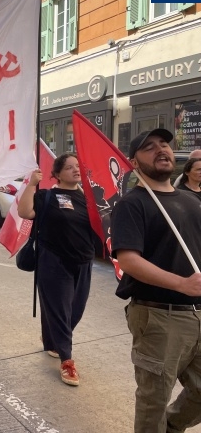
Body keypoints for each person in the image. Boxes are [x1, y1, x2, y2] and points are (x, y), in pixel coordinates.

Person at [111, 129, 201, 432]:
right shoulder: (132, 204)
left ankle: (171, 427)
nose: (161, 149)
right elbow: (128, 260)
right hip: (159, 317)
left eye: (164, 144)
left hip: (198, 313)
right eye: (149, 147)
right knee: (154, 401)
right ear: (135, 162)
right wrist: (181, 284)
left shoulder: (191, 201)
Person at [18, 153, 97, 387]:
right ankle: (67, 361)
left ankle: (52, 338)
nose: (75, 170)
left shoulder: (88, 197)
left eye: (77, 166)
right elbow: (25, 212)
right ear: (57, 174)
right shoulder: (47, 196)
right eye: (70, 167)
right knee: (60, 310)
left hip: (84, 261)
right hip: (54, 262)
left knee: (75, 310)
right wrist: (31, 184)